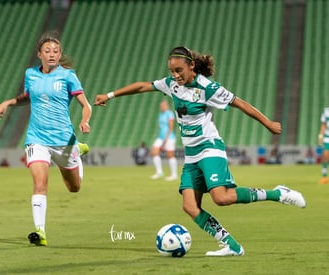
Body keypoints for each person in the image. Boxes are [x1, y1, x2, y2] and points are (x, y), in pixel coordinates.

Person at [95, 46, 306, 256]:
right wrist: (110, 95)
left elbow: (240, 103)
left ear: (192, 65)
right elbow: (142, 86)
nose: (175, 75)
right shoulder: (171, 85)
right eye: (172, 71)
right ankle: (231, 245)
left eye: (179, 70)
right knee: (189, 206)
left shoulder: (208, 88)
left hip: (210, 147)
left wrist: (268, 123)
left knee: (221, 198)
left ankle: (278, 194)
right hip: (191, 155)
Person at [0, 31, 92, 246]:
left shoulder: (68, 76)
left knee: (74, 188)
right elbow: (28, 97)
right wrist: (7, 102)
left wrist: (84, 121)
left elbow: (86, 105)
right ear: (39, 54)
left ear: (60, 54)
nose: (52, 54)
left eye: (55, 51)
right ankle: (40, 232)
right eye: (47, 51)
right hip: (37, 139)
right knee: (40, 184)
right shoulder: (31, 75)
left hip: (63, 140)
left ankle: (77, 150)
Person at [150, 100, 178, 181]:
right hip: (160, 137)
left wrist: (166, 138)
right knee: (154, 151)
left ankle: (174, 174)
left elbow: (171, 127)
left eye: (162, 105)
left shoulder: (169, 113)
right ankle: (159, 172)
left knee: (170, 155)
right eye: (160, 106)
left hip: (169, 137)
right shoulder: (160, 114)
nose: (161, 107)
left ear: (166, 106)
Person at [318, 107, 329, 184]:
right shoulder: (326, 111)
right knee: (325, 156)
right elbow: (323, 125)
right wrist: (320, 136)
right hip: (327, 137)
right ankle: (324, 177)